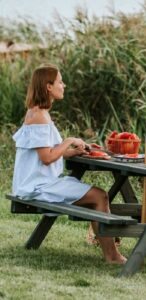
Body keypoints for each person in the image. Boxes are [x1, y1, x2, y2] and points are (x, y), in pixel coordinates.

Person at [12, 63, 126, 264]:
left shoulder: (36, 112)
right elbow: (46, 157)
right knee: (100, 196)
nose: (63, 85)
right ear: (48, 87)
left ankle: (110, 249)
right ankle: (112, 256)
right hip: (39, 186)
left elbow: (46, 152)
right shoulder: (39, 116)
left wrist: (73, 151)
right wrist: (69, 140)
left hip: (36, 182)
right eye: (60, 81)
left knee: (98, 196)